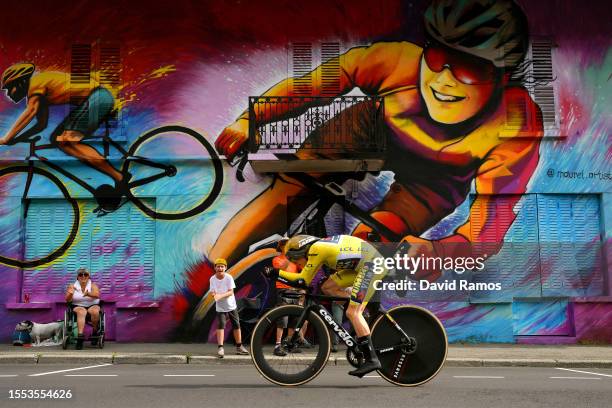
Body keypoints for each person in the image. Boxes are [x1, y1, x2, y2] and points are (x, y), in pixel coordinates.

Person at [211, 0, 542, 280]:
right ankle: (209, 273)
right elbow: (312, 86)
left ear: (504, 77)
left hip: (434, 181)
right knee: (286, 193)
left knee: (370, 243)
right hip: (370, 128)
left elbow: (489, 227)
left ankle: (320, 307)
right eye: (439, 59)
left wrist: (437, 252)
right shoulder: (397, 61)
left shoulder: (516, 124)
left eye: (469, 69)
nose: (443, 80)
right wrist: (247, 122)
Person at [273, 234, 388, 378]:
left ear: (302, 252)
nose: (297, 264)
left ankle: (372, 359)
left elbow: (302, 280)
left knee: (353, 313)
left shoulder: (316, 249)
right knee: (328, 287)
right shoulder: (318, 248)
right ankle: (361, 313)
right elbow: (308, 279)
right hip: (361, 265)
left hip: (372, 264)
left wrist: (275, 273)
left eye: (296, 260)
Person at [0, 63, 126, 194]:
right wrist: (16, 139)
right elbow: (40, 125)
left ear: (21, 82)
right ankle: (115, 176)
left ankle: (119, 177)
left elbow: (31, 111)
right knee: (58, 139)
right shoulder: (37, 96)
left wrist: (6, 138)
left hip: (98, 97)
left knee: (67, 140)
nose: (9, 94)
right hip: (93, 99)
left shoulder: (35, 83)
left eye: (10, 88)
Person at [270, 241, 311, 356]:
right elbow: (280, 270)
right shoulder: (277, 259)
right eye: (284, 245)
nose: (287, 246)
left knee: (294, 320)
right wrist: (288, 257)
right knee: (283, 319)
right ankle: (277, 346)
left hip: (294, 291)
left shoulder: (293, 260)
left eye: (288, 244)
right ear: (280, 247)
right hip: (283, 291)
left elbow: (303, 270)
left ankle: (289, 344)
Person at [209, 258, 249, 357]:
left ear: (225, 268)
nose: (220, 268)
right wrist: (214, 295)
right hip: (220, 308)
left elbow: (231, 292)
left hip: (231, 306)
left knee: (236, 324)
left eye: (222, 266)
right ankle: (220, 348)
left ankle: (239, 347)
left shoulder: (229, 278)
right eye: (218, 266)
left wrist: (220, 296)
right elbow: (212, 291)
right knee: (221, 325)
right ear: (215, 268)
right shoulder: (212, 279)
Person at [65, 268, 101, 350]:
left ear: (88, 277)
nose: (83, 276)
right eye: (81, 274)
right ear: (77, 277)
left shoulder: (93, 285)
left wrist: (88, 294)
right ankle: (80, 337)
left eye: (86, 274)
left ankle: (95, 331)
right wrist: (70, 294)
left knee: (95, 311)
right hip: (78, 305)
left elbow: (97, 295)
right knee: (82, 311)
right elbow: (67, 299)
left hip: (92, 304)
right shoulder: (72, 286)